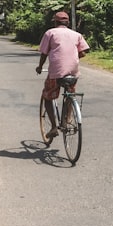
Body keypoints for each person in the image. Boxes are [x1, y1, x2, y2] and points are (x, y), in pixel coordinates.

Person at [35, 11, 89, 142]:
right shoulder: (77, 35)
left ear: (55, 22)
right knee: (70, 93)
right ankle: (67, 120)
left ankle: (54, 127)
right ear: (68, 23)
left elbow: (44, 53)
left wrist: (40, 66)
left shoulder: (50, 33)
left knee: (47, 97)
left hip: (55, 73)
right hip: (72, 73)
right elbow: (83, 52)